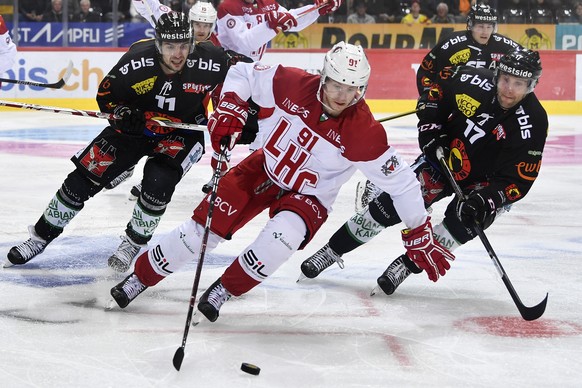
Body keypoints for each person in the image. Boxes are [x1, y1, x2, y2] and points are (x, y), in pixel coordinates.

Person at [108, 41, 454, 319]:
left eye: (351, 89)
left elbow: (403, 184)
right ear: (323, 78)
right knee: (200, 229)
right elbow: (242, 72)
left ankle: (225, 289)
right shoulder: (292, 82)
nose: (340, 95)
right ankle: (141, 277)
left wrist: (418, 228)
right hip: (264, 168)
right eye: (335, 84)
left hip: (309, 197)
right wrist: (231, 107)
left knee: (278, 241)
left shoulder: (365, 133)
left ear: (361, 90)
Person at [5, 12, 249, 273]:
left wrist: (247, 116)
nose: (177, 54)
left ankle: (132, 243)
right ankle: (40, 237)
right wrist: (121, 115)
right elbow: (105, 97)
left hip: (183, 134)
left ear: (192, 44)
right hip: (136, 130)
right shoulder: (136, 60)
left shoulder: (212, 60)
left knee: (158, 183)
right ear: (158, 44)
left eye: (183, 46)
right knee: (83, 178)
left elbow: (250, 75)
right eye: (169, 46)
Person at [299, 47, 548, 297]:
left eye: (519, 83)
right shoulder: (471, 78)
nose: (508, 89)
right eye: (505, 79)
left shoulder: (534, 121)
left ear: (532, 85)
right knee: (389, 206)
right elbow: (434, 94)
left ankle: (406, 266)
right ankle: (332, 250)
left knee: (459, 228)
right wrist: (430, 129)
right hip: (442, 159)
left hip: (484, 184)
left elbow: (518, 180)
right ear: (497, 75)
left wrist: (487, 199)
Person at [355, 3, 522, 210]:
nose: (485, 31)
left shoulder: (506, 47)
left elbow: (524, 71)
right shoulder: (453, 44)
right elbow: (426, 72)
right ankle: (386, 186)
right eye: (480, 26)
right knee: (437, 156)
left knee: (456, 156)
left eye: (489, 27)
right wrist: (434, 103)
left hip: (479, 114)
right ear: (470, 25)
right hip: (452, 112)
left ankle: (401, 187)